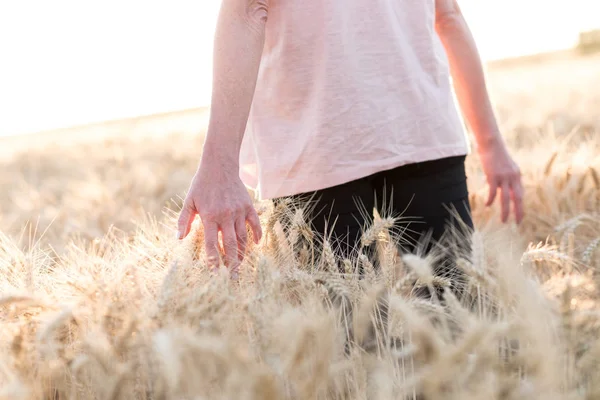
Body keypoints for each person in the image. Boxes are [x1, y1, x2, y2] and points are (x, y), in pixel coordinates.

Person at [176, 0, 524, 283]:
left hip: (385, 138)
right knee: (361, 341)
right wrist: (219, 166)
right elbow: (247, 9)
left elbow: (445, 13)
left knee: (375, 339)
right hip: (331, 150)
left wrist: (492, 145)